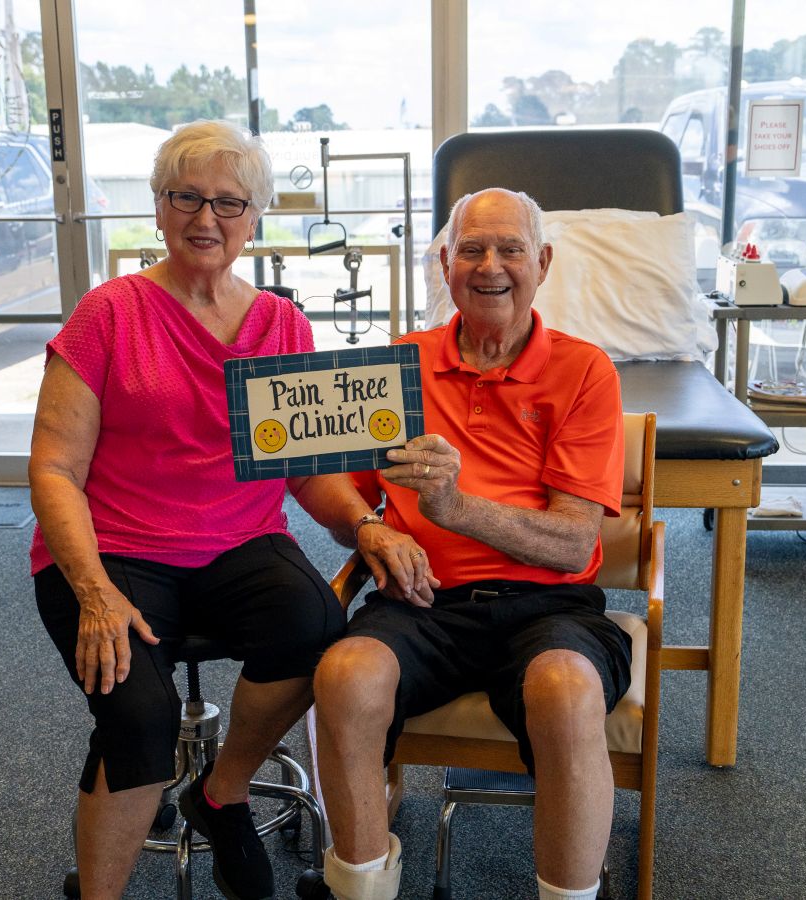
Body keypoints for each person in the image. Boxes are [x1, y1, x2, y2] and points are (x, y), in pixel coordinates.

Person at [28, 120, 428, 900]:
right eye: (187, 197)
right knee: (138, 717)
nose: (206, 218)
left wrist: (366, 523)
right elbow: (52, 468)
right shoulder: (107, 316)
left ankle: (221, 792)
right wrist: (93, 590)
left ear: (255, 216)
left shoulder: (282, 327)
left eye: (229, 203)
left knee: (316, 628)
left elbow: (306, 475)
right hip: (113, 549)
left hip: (238, 540)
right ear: (159, 205)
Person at [313, 188, 632, 900]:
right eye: (472, 250)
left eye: (510, 249)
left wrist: (456, 509)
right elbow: (331, 483)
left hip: (548, 606)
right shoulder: (398, 364)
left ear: (541, 262)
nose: (491, 266)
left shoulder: (584, 372)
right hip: (422, 603)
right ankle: (362, 888)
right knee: (343, 676)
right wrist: (370, 527)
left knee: (567, 687)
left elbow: (574, 544)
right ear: (446, 263)